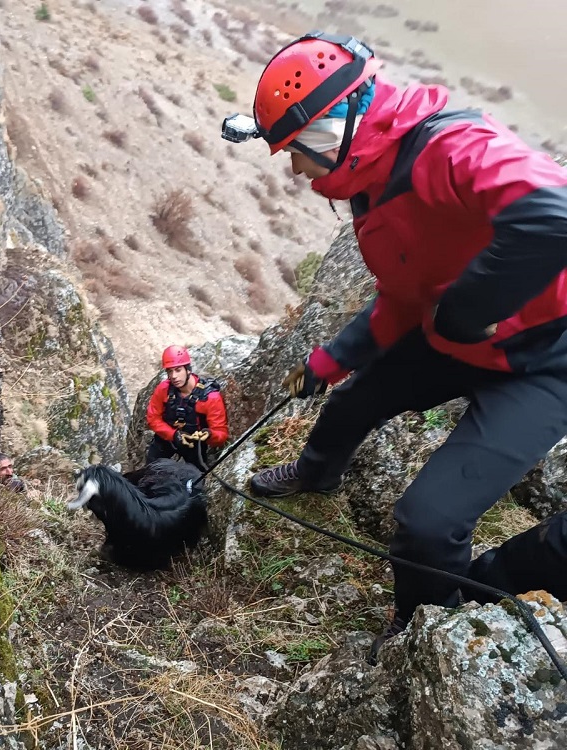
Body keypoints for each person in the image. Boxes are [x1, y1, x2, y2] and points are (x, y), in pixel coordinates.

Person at [224, 31, 567, 663]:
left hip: (542, 361)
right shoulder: (373, 182)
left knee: (427, 524)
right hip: (455, 340)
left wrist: (467, 312)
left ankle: (422, 625)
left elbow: (554, 214)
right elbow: (405, 294)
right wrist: (330, 361)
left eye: (296, 150)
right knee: (350, 403)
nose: (295, 170)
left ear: (335, 127)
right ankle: (315, 474)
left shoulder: (452, 148)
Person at [146, 345, 229, 470]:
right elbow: (153, 419)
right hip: (166, 438)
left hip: (194, 445)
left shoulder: (210, 397)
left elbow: (221, 433)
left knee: (197, 476)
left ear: (188, 370)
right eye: (169, 371)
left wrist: (209, 435)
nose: (173, 376)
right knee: (150, 471)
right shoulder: (164, 389)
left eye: (178, 370)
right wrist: (174, 435)